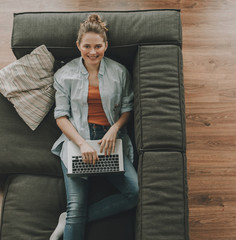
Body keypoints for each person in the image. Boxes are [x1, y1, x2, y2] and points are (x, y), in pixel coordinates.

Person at [49, 14, 139, 240]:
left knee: (135, 193)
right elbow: (60, 117)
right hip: (77, 140)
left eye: (98, 46)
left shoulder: (119, 72)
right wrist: (81, 144)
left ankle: (69, 219)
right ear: (78, 45)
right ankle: (73, 216)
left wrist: (114, 128)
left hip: (108, 142)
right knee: (76, 206)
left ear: (105, 46)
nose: (92, 52)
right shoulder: (64, 75)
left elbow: (128, 108)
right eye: (86, 46)